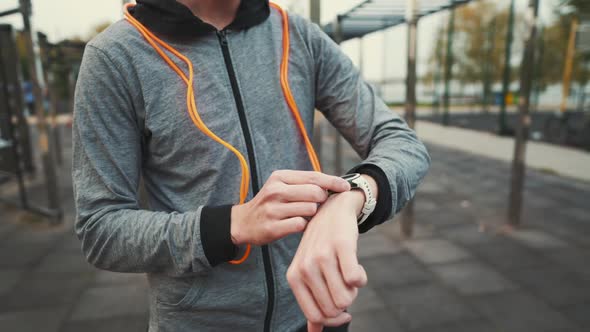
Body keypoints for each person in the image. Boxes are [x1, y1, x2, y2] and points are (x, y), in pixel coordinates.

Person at [72, 0, 430, 331]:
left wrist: (352, 197)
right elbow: (101, 229)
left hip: (314, 314)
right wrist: (233, 224)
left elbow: (402, 142)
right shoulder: (115, 57)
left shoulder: (296, 34)